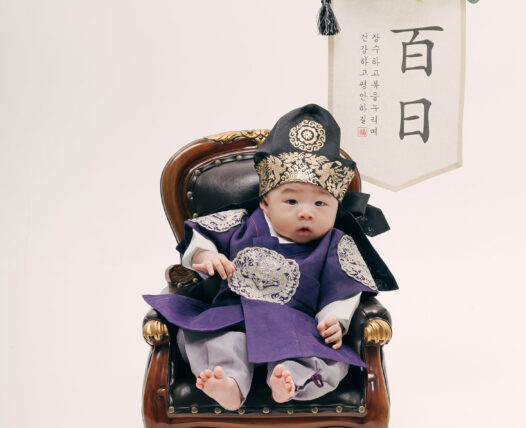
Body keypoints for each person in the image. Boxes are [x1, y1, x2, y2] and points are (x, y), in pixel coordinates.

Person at [143, 104, 397, 411]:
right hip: (234, 314)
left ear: (336, 208)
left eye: (321, 204)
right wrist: (206, 254)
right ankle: (229, 382)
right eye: (291, 201)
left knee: (320, 355)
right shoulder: (241, 224)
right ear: (265, 202)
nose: (306, 212)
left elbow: (345, 287)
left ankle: (289, 380)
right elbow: (202, 234)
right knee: (215, 339)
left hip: (295, 324)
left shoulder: (335, 243)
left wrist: (334, 320)